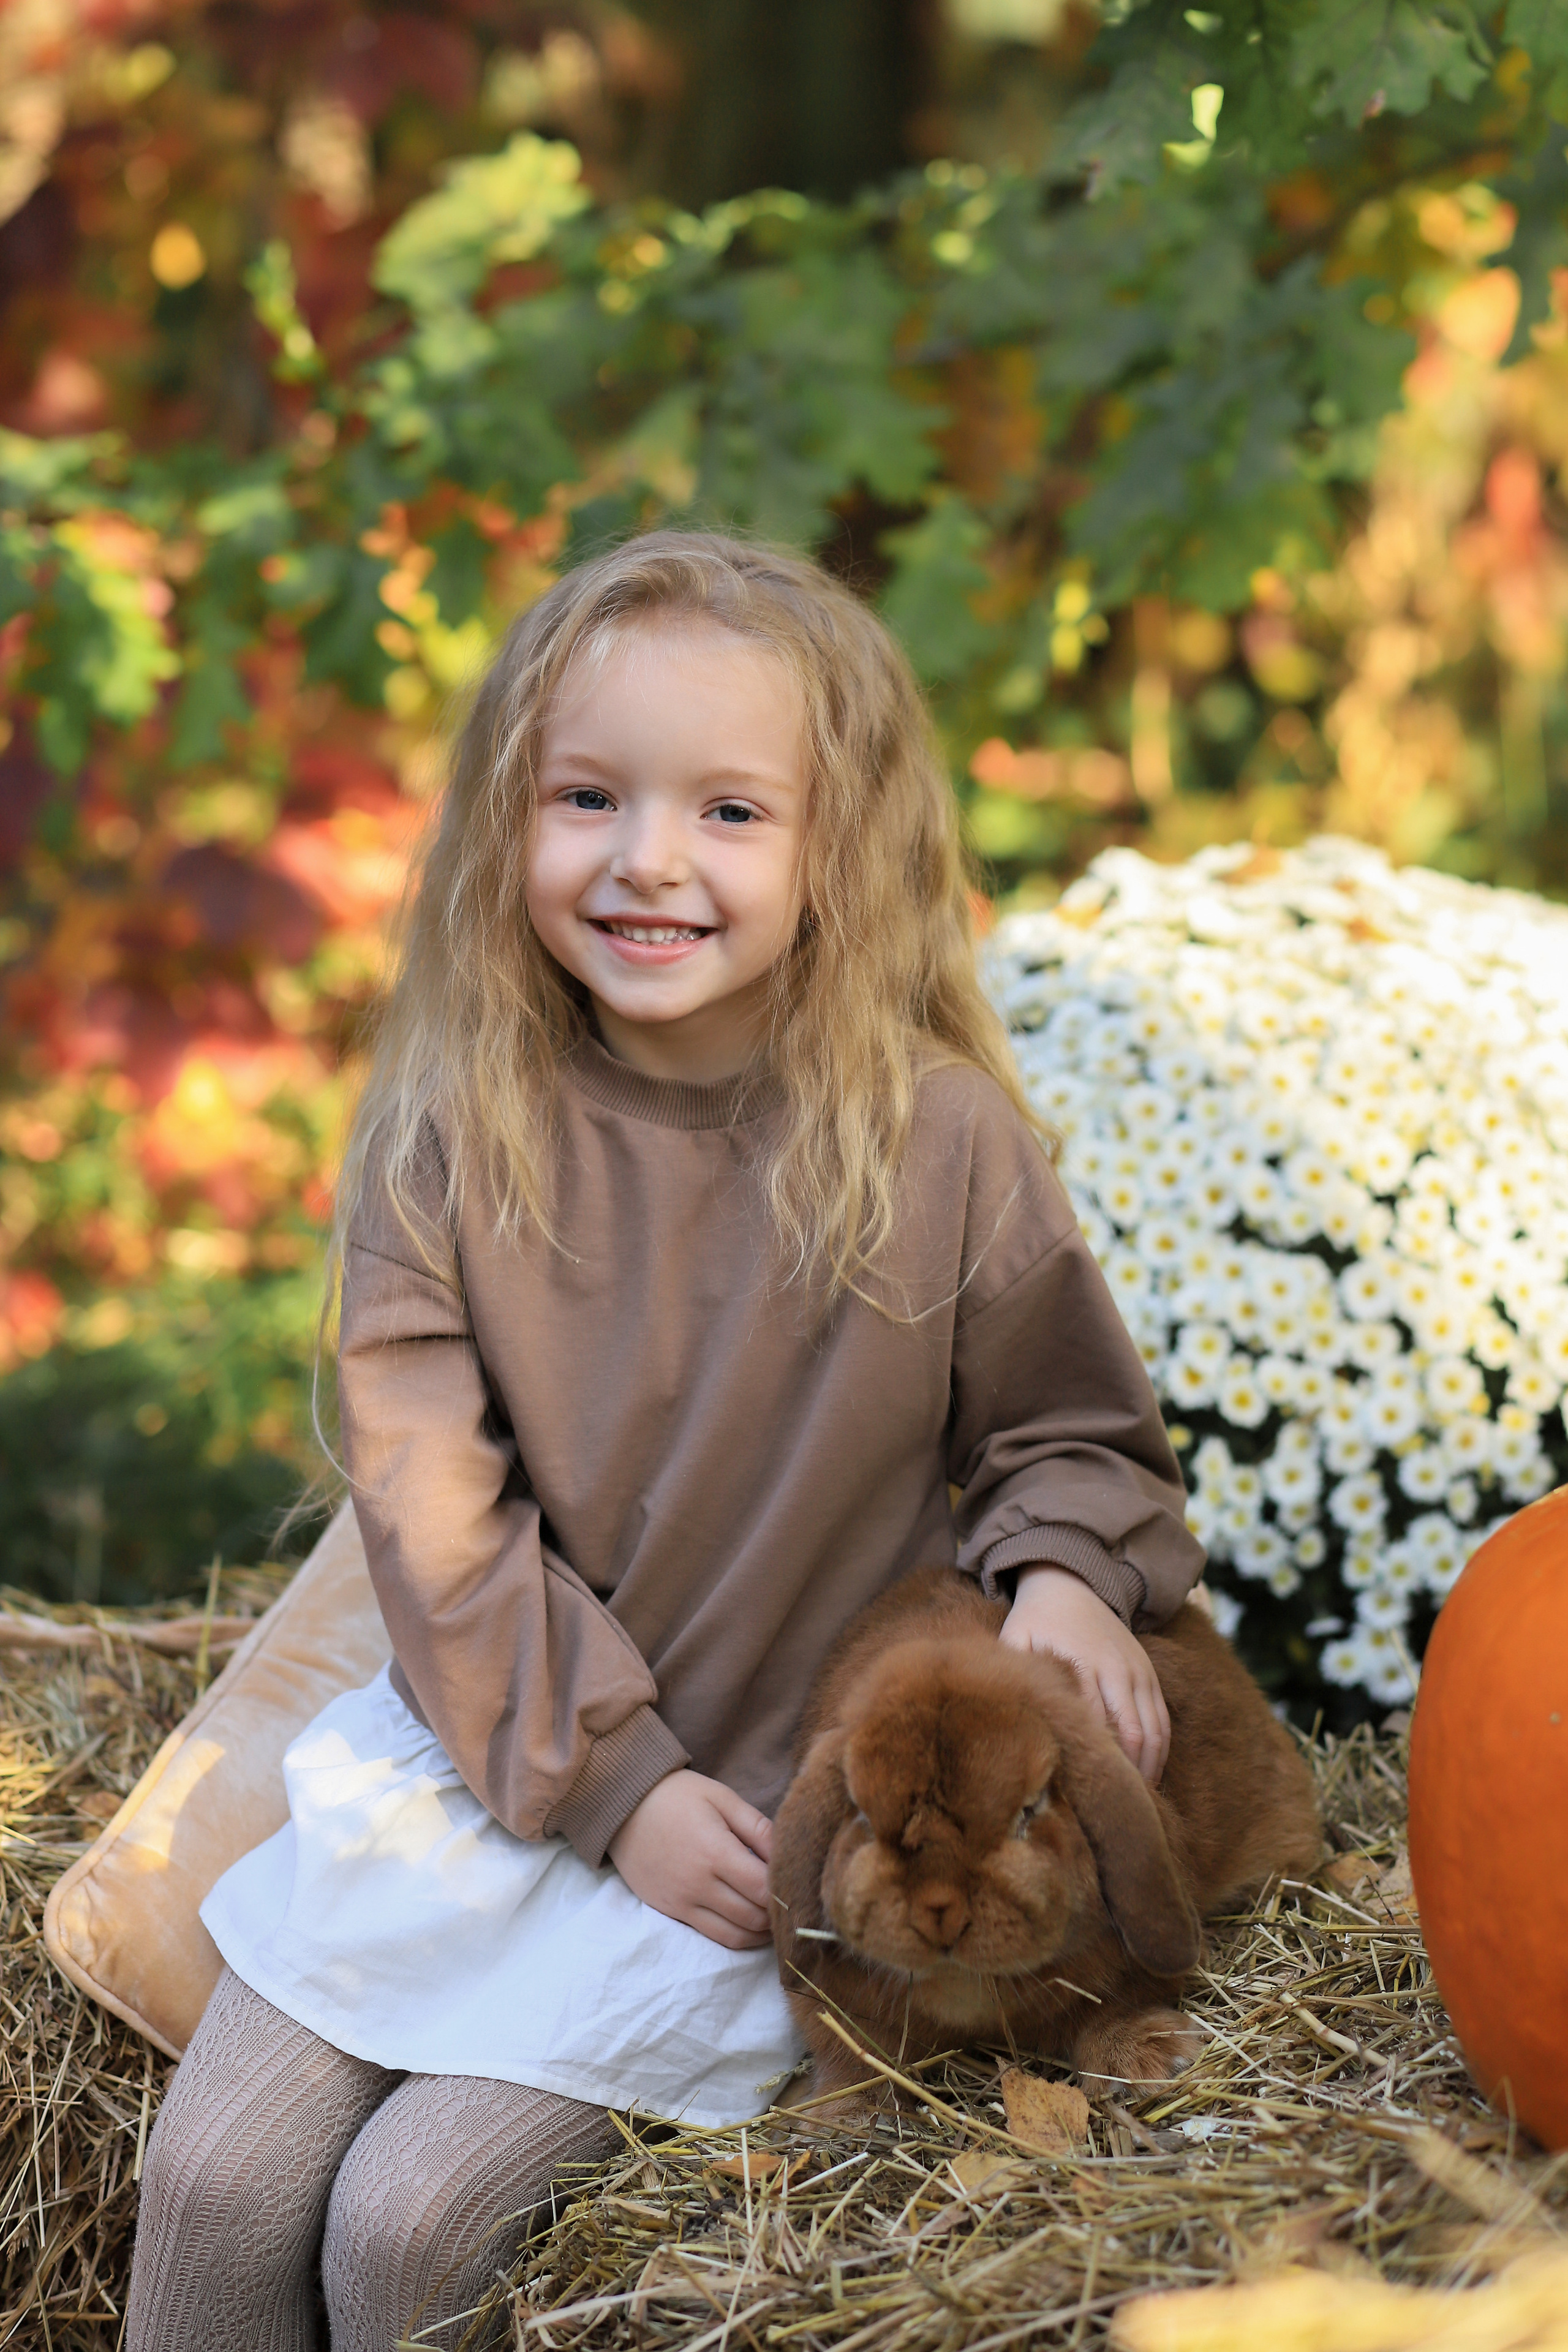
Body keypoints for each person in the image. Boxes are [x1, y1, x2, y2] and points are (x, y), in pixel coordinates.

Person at [126, 531, 1202, 2350]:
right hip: (506, 1762)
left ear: (834, 850)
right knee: (215, 2184)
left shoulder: (934, 1142)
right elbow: (434, 1518)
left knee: (406, 2226)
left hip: (747, 1822)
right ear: (505, 825)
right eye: (589, 797)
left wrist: (1068, 1573)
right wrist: (604, 1784)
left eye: (728, 811)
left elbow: (1073, 1427)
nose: (647, 860)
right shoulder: (450, 1134)